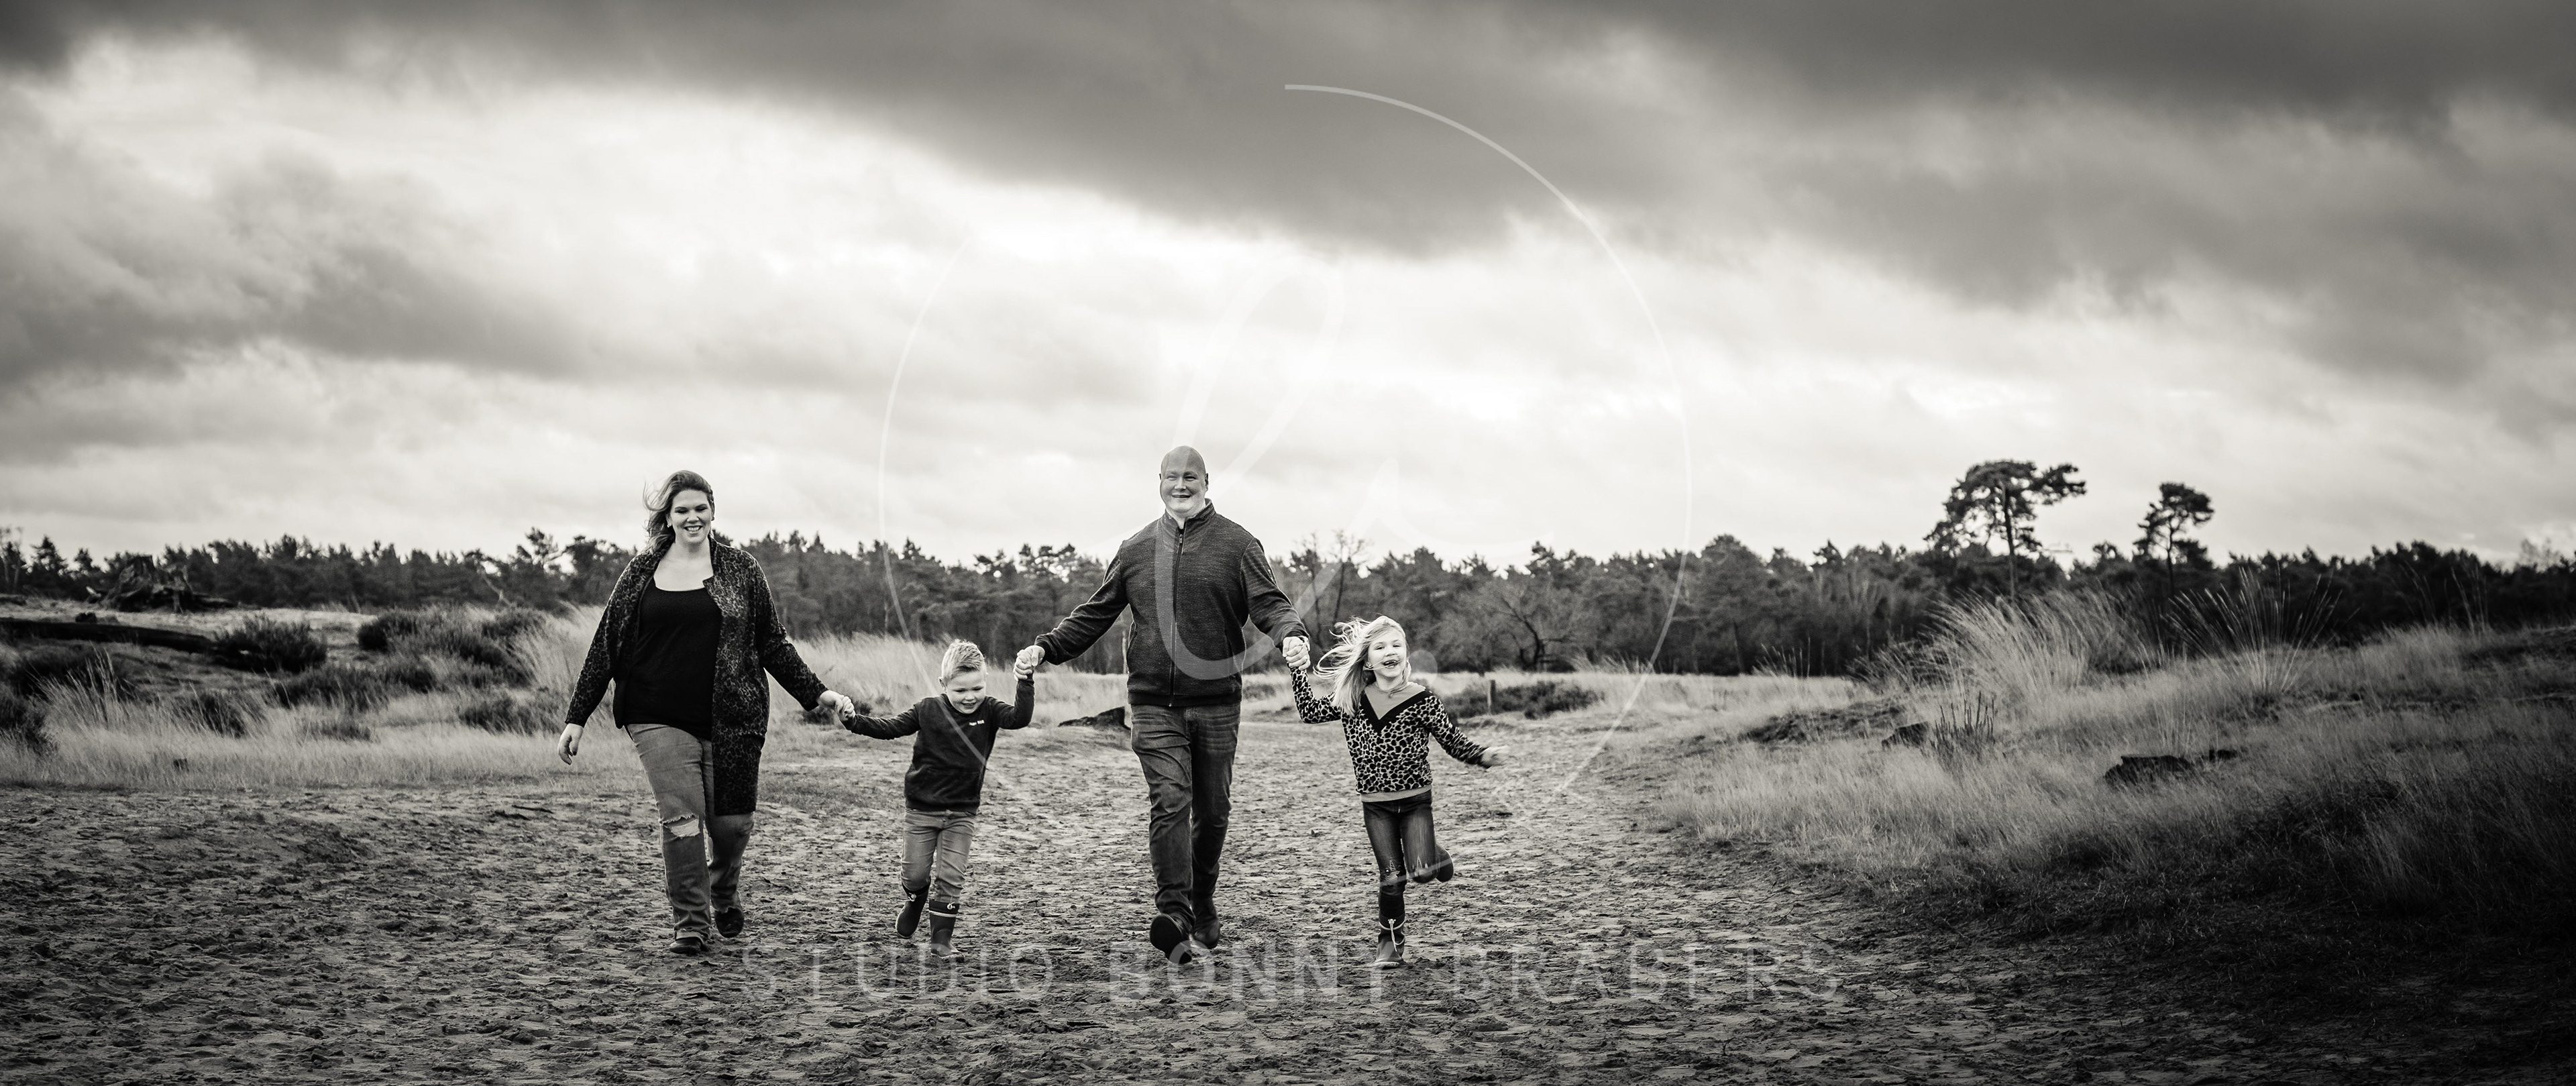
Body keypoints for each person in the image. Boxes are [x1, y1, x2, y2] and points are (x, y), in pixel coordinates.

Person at [1014, 445, 1308, 964]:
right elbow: (1096, 612)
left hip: (1217, 701)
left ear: (1206, 481)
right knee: (1171, 798)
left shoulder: (1239, 544)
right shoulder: (1136, 548)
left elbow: (1270, 603)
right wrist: (1048, 647)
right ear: (1159, 481)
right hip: (1152, 700)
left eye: (1190, 476)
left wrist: (1291, 635)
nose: (1181, 485)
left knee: (1212, 812)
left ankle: (1202, 898)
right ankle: (1174, 914)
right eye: (1172, 476)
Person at [555, 470, 856, 955]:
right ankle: (691, 924)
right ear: (668, 517)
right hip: (655, 713)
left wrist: (818, 693)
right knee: (681, 818)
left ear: (713, 511)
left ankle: (723, 887)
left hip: (733, 718)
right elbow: (606, 643)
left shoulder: (741, 568)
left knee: (732, 826)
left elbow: (772, 643)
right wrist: (577, 716)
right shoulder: (640, 572)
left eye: (700, 508)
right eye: (682, 510)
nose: (692, 517)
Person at [1289, 615, 1505, 969]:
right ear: (1367, 660)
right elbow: (1309, 712)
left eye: (1396, 645)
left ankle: (1434, 855)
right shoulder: (1352, 699)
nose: (1389, 652)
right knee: (1392, 878)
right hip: (1376, 807)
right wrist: (1298, 670)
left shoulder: (1422, 700)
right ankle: (1390, 945)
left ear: (1406, 654)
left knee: (1422, 872)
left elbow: (1452, 740)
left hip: (1416, 801)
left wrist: (1482, 755)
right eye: (1380, 647)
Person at [837, 640, 1037, 956]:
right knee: (914, 874)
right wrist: (853, 721)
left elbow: (1020, 718)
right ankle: (915, 900)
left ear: (986, 681)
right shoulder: (927, 709)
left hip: (962, 813)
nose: (970, 697)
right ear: (943, 684)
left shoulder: (990, 710)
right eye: (960, 690)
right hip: (921, 810)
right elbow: (889, 727)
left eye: (977, 688)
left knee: (952, 876)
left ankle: (941, 940)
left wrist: (1025, 681)